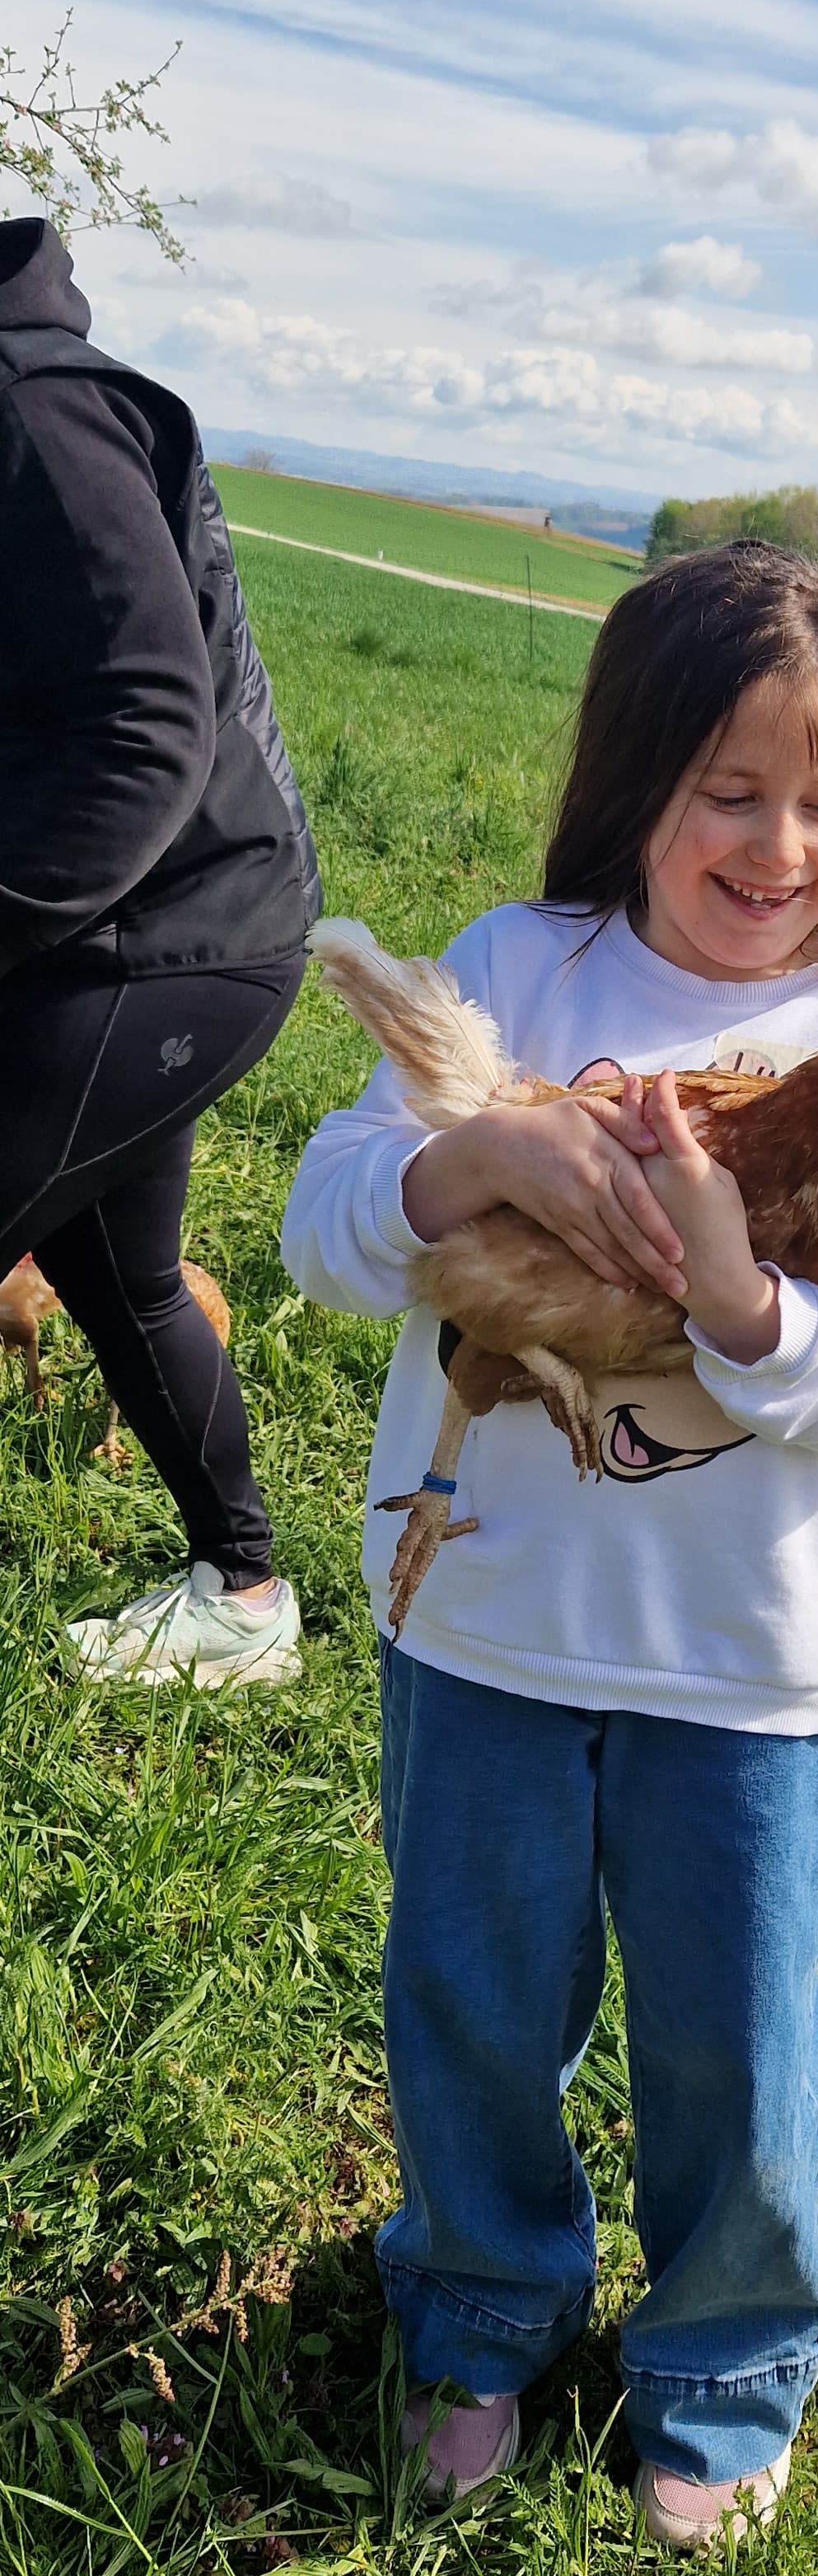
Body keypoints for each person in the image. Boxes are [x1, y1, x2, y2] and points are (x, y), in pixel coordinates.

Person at [280, 541, 818, 2547]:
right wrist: (470, 1154)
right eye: (729, 792)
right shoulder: (523, 963)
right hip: (489, 1621)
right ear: (641, 781)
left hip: (747, 1667)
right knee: (475, 1999)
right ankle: (482, 2301)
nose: (777, 845)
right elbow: (326, 1236)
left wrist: (743, 1303)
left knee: (736, 2042)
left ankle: (724, 2361)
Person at [0, 215, 320, 1684]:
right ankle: (241, 1599)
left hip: (167, 943)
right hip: (150, 935)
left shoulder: (35, 409)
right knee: (123, 1281)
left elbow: (144, 728)